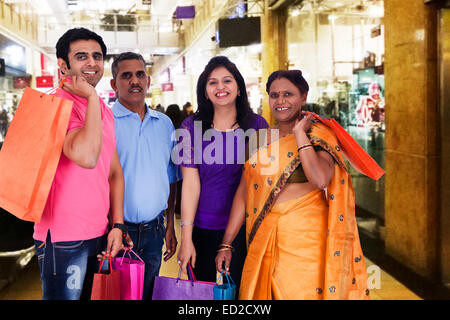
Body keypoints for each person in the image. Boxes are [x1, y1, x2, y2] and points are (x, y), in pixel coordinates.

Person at [215, 70, 370, 300]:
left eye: (288, 94)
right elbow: (244, 191)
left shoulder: (320, 134)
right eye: (274, 95)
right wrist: (226, 244)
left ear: (303, 97)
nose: (281, 101)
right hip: (264, 240)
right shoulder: (259, 138)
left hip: (306, 250)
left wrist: (300, 134)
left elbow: (319, 179)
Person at [33, 27, 131, 300]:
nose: (92, 63)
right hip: (64, 237)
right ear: (63, 65)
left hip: (99, 231)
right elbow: (87, 157)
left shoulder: (101, 110)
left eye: (97, 56)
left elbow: (113, 172)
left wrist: (118, 225)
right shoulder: (54, 105)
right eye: (81, 56)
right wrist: (88, 97)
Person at [176, 56, 269, 293]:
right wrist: (186, 238)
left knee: (243, 294)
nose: (220, 87)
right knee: (202, 295)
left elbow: (258, 183)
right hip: (202, 227)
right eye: (212, 82)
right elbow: (190, 184)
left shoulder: (258, 126)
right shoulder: (189, 126)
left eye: (227, 80)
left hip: (246, 230)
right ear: (205, 92)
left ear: (239, 87)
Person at [109, 52, 180, 300]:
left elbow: (171, 179)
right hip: (116, 231)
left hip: (154, 232)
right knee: (116, 295)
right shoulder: (104, 122)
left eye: (140, 74)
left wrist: (170, 225)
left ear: (148, 81)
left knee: (148, 292)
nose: (134, 81)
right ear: (114, 84)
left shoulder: (165, 124)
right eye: (126, 76)